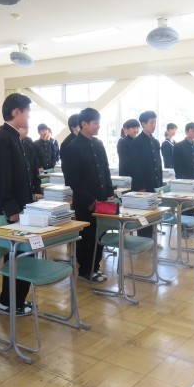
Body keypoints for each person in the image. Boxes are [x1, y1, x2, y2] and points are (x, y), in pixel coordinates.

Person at [0, 94, 35, 316]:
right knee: (16, 256)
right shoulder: (2, 139)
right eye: (27, 112)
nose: (29, 117)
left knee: (22, 255)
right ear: (16, 112)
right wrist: (12, 208)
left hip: (20, 206)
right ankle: (7, 303)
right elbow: (1, 178)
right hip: (12, 210)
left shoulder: (14, 137)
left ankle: (16, 300)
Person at [62, 107, 114, 282]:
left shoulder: (98, 143)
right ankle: (85, 269)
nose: (98, 126)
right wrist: (90, 200)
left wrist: (109, 192)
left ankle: (95, 267)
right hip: (85, 202)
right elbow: (73, 180)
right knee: (87, 236)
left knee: (100, 234)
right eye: (95, 123)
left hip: (101, 199)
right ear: (84, 124)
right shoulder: (73, 147)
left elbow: (105, 170)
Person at [131, 111, 162, 238]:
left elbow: (158, 164)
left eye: (155, 122)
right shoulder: (137, 142)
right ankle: (144, 240)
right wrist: (140, 186)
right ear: (143, 124)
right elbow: (136, 166)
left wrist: (160, 184)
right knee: (144, 215)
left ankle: (152, 240)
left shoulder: (155, 142)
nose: (154, 125)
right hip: (143, 185)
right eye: (151, 122)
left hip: (155, 184)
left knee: (154, 214)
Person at [173, 122, 194, 219]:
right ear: (187, 132)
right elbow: (177, 166)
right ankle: (183, 226)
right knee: (184, 206)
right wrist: (184, 181)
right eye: (192, 131)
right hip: (184, 182)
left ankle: (191, 225)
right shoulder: (178, 146)